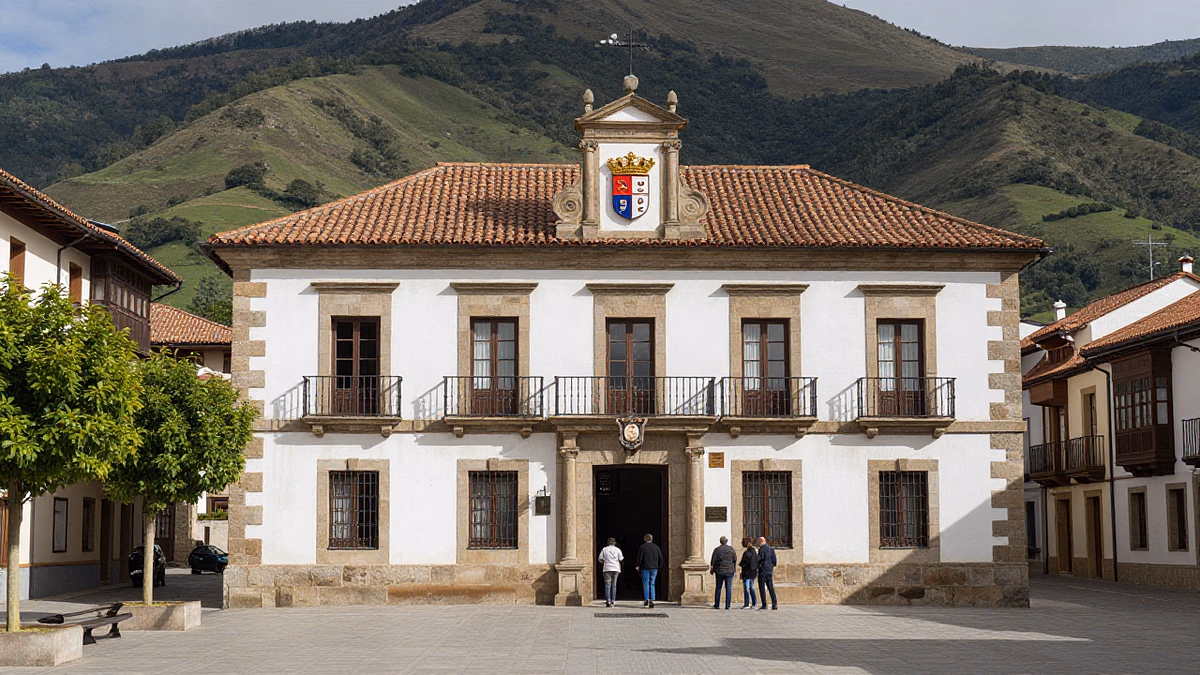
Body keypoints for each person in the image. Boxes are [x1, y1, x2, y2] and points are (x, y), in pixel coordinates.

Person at [635, 533, 663, 608]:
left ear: (645, 539)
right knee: (652, 583)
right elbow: (661, 558)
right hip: (654, 568)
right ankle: (652, 599)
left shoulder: (643, 547)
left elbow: (640, 557)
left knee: (646, 584)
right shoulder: (657, 547)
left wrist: (637, 565)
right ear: (652, 539)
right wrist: (659, 567)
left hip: (645, 568)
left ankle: (647, 599)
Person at [709, 536, 737, 610]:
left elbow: (713, 561)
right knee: (728, 587)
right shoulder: (731, 549)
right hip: (729, 570)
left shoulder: (717, 550)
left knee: (718, 587)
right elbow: (734, 559)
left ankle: (717, 605)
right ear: (726, 541)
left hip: (720, 570)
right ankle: (728, 605)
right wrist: (734, 568)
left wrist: (712, 569)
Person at [598, 537, 624, 607]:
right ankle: (613, 600)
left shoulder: (604, 549)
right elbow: (621, 558)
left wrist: (604, 562)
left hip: (607, 568)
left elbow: (600, 558)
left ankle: (608, 600)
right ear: (614, 543)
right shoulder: (618, 550)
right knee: (614, 585)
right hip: (616, 568)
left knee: (607, 584)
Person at [756, 536, 778, 610]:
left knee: (762, 587)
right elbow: (774, 561)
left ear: (761, 541)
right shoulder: (771, 549)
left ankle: (764, 604)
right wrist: (770, 566)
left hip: (762, 570)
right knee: (770, 587)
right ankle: (774, 603)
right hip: (769, 570)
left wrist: (758, 562)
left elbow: (760, 558)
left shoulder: (762, 549)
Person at [739, 537, 759, 609]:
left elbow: (743, 563)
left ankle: (747, 603)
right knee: (752, 588)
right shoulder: (755, 552)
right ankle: (754, 603)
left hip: (747, 573)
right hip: (753, 573)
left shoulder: (747, 553)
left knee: (747, 588)